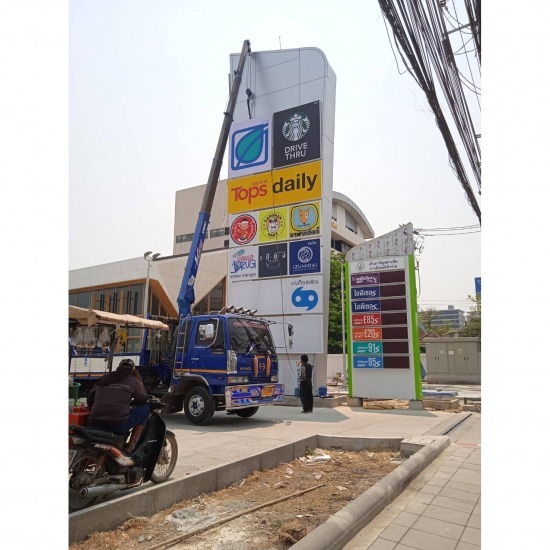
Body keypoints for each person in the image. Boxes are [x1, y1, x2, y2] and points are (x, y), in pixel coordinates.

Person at [87, 359, 149, 453]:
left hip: (94, 422)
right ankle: (130, 447)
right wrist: (139, 379)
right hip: (117, 425)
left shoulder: (105, 378)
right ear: (132, 371)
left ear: (117, 368)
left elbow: (90, 398)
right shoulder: (133, 380)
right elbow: (143, 399)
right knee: (145, 409)